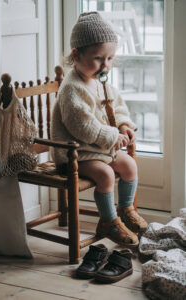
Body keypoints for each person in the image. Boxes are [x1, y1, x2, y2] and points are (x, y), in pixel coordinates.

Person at [51, 11, 148, 248]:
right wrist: (113, 136)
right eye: (98, 58)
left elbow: (117, 106)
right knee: (105, 175)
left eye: (110, 58)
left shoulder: (100, 81)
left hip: (99, 148)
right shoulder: (72, 88)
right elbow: (81, 126)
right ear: (76, 54)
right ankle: (108, 221)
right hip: (75, 153)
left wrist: (124, 124)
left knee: (129, 165)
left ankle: (125, 210)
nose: (105, 65)